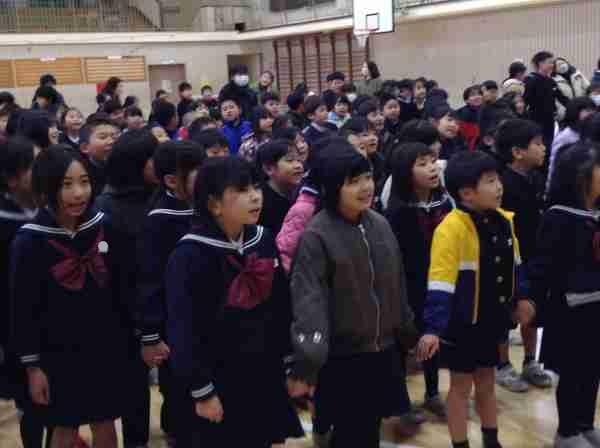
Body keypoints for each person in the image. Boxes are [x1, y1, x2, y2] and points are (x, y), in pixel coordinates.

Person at [289, 141, 419, 448]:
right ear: (332, 188)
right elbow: (310, 305)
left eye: (368, 177)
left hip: (382, 352)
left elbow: (396, 284)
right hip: (342, 358)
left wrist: (407, 331)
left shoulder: (380, 224)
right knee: (352, 434)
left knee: (369, 430)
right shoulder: (316, 236)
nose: (365, 187)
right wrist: (307, 362)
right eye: (353, 182)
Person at [166, 156, 302, 447]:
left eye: (256, 187)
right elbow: (183, 329)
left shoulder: (263, 239)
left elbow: (281, 306)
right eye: (241, 190)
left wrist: (290, 360)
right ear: (214, 204)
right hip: (217, 374)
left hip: (263, 368)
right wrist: (202, 389)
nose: (255, 196)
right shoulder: (189, 254)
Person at [11, 145, 130, 448]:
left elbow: (123, 290)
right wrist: (32, 366)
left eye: (84, 182)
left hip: (104, 346)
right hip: (56, 353)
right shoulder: (30, 240)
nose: (78, 193)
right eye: (66, 185)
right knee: (63, 426)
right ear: (46, 187)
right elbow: (22, 308)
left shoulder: (105, 227)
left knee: (105, 421)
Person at [417, 150, 535, 448]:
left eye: (498, 180)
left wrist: (522, 297)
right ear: (467, 193)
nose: (499, 187)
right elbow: (440, 283)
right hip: (461, 326)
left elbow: (516, 265)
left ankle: (491, 440)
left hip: (491, 320)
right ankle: (460, 444)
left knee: (487, 382)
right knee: (460, 388)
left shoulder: (505, 221)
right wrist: (433, 328)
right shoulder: (450, 229)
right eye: (491, 181)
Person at [529, 143, 600, 448]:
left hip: (596, 307)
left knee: (593, 370)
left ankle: (585, 424)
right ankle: (567, 431)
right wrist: (530, 300)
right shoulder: (558, 216)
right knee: (573, 372)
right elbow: (543, 264)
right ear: (580, 176)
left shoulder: (595, 213)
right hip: (570, 309)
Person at [137, 140, 206, 445]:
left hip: (204, 320)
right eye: (196, 172)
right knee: (179, 394)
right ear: (171, 181)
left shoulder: (203, 206)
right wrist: (151, 334)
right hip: (173, 325)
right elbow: (149, 280)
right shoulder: (159, 219)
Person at [94, 129, 159, 448]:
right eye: (153, 158)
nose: (160, 163)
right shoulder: (106, 207)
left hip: (158, 306)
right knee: (132, 386)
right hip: (123, 313)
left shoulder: (158, 196)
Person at [385, 142, 454, 419]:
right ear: (405, 172)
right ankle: (400, 401)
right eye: (422, 164)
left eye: (433, 161)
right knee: (403, 344)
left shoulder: (444, 202)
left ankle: (432, 393)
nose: (432, 168)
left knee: (432, 337)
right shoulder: (398, 211)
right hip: (407, 285)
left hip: (437, 282)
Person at [494, 119, 554, 393]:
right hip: (508, 257)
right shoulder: (502, 183)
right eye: (537, 144)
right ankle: (502, 364)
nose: (543, 148)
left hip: (534, 255)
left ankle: (530, 360)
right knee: (505, 313)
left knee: (533, 309)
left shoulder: (537, 178)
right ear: (517, 152)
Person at [0, 137, 42, 448]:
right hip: (13, 322)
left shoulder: (50, 209)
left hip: (51, 320)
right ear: (12, 178)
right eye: (34, 166)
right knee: (28, 398)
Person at [380, 119, 444, 212]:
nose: (439, 145)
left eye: (433, 162)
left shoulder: (442, 168)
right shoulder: (394, 185)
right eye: (433, 143)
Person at [547, 97, 597, 191]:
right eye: (587, 110)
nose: (591, 114)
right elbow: (554, 165)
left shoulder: (591, 132)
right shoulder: (566, 136)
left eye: (593, 110)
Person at [524, 51, 569, 151]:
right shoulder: (531, 80)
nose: (552, 65)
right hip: (536, 121)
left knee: (549, 146)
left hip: (550, 120)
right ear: (540, 63)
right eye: (549, 62)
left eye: (553, 63)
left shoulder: (550, 81)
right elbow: (525, 101)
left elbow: (562, 98)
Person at [257, 139, 304, 235]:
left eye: (299, 160)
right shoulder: (260, 202)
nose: (298, 166)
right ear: (269, 169)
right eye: (290, 160)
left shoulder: (303, 193)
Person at [79, 118, 120, 194]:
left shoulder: (123, 166)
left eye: (114, 137)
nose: (111, 142)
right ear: (85, 147)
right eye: (103, 137)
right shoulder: (79, 173)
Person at [457, 85, 484, 151]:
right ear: (466, 100)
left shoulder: (488, 110)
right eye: (473, 95)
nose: (477, 97)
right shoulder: (462, 114)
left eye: (479, 94)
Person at [379, 92, 404, 160]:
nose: (393, 110)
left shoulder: (404, 126)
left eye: (395, 107)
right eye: (390, 107)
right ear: (382, 110)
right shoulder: (381, 127)